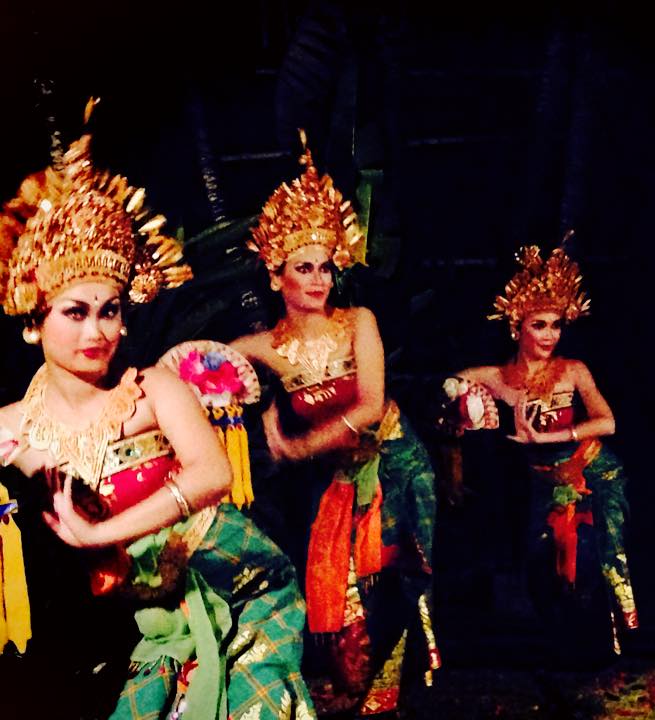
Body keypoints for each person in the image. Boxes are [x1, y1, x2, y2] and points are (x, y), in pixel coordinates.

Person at [0, 126, 315, 720]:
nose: (98, 332)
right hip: (124, 622)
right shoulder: (12, 428)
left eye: (109, 311)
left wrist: (100, 535)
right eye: (75, 312)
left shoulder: (154, 390)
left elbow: (213, 474)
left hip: (228, 582)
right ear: (36, 319)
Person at [232, 137, 438, 716]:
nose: (319, 278)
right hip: (340, 481)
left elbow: (369, 407)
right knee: (339, 585)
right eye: (304, 267)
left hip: (397, 467)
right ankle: (356, 691)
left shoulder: (358, 322)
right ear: (276, 276)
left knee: (392, 578)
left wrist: (294, 448)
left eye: (325, 266)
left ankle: (388, 695)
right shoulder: (264, 347)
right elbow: (197, 363)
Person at [442, 243, 637, 663]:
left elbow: (607, 422)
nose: (550, 334)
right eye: (540, 325)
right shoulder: (499, 377)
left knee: (591, 560)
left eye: (556, 325)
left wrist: (545, 439)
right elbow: (452, 383)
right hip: (545, 484)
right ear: (517, 328)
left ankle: (605, 651)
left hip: (592, 474)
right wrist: (462, 403)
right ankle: (567, 648)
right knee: (540, 563)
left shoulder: (572, 370)